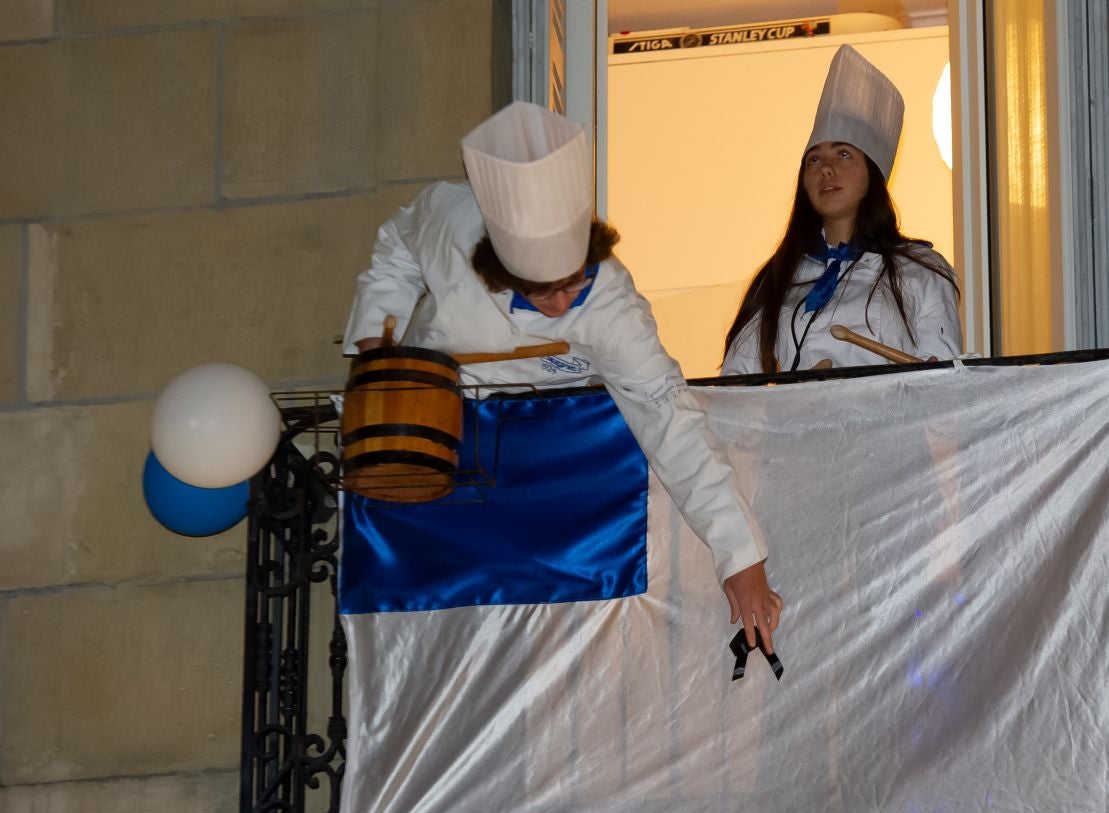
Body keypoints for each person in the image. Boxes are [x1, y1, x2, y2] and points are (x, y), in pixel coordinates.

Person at [344, 101, 783, 652]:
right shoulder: (450, 222)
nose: (556, 306)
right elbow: (395, 249)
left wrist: (740, 559)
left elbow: (670, 419)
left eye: (571, 285)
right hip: (436, 434)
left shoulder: (614, 309)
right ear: (496, 267)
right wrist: (377, 340)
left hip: (547, 463)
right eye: (537, 291)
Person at [722, 45, 961, 375]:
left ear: (872, 174)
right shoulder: (779, 276)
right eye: (814, 159)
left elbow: (946, 381)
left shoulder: (922, 270)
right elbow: (736, 386)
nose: (826, 169)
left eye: (843, 154)